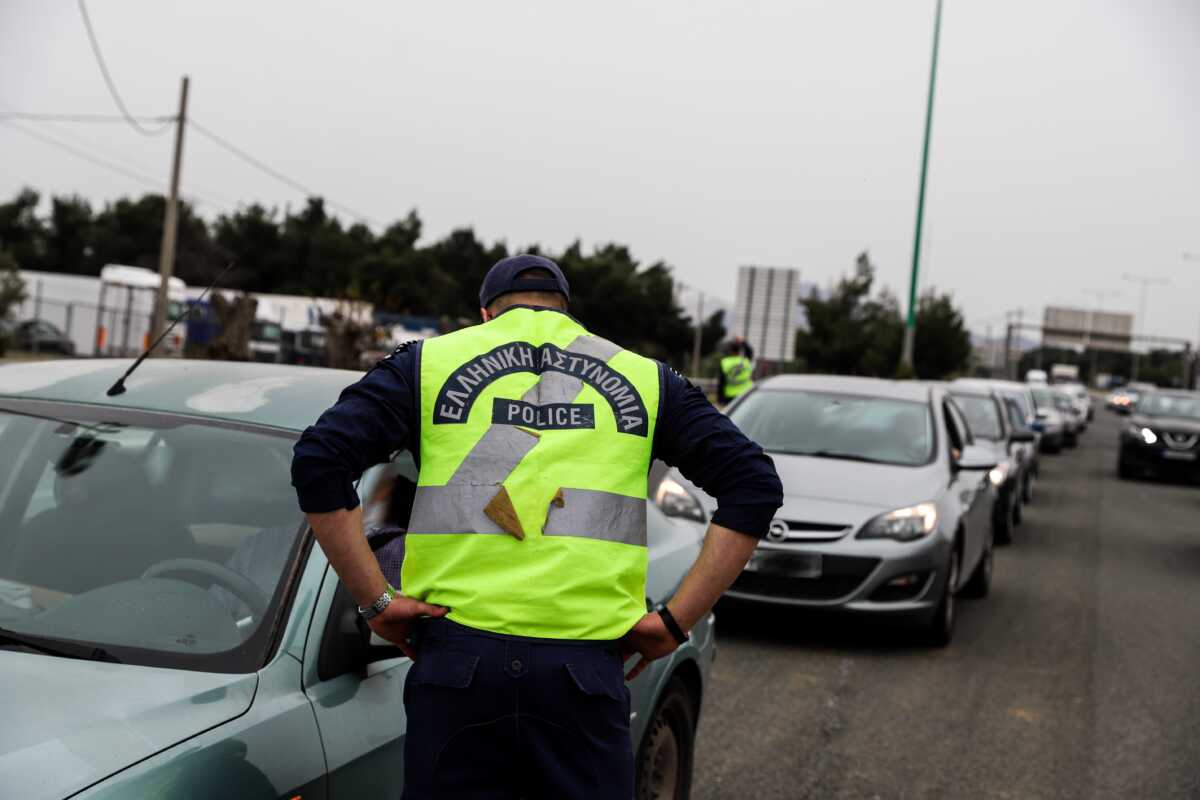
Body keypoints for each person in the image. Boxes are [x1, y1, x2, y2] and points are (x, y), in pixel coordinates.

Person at [291, 254, 782, 799]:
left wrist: (376, 603)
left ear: (486, 315)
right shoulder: (645, 379)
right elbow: (754, 486)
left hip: (458, 663)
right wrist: (673, 622)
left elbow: (319, 460)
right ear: (566, 312)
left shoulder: (426, 365)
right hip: (585, 667)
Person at [717, 337, 755, 405]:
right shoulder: (745, 361)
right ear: (740, 350)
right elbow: (750, 352)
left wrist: (720, 399)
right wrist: (743, 342)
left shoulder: (724, 362)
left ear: (730, 350)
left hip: (730, 395)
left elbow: (721, 382)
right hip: (745, 394)